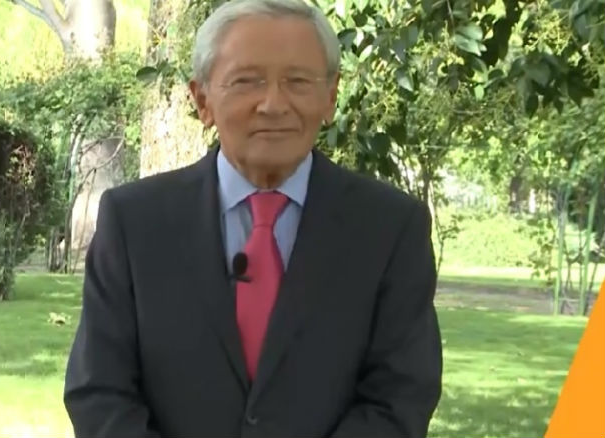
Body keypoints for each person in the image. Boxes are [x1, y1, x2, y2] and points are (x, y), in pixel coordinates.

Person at [62, 0, 443, 436]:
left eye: (298, 81)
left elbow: (400, 396)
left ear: (330, 96)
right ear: (202, 100)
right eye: (247, 81)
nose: (273, 104)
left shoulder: (390, 229)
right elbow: (99, 393)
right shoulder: (134, 223)